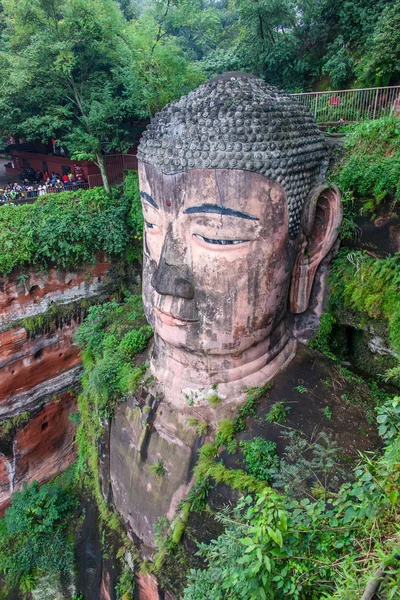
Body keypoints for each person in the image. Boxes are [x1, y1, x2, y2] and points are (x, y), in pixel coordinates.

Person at [137, 72, 342, 407]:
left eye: (216, 237)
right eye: (151, 223)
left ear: (315, 233)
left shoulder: (321, 435)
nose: (164, 281)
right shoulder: (119, 390)